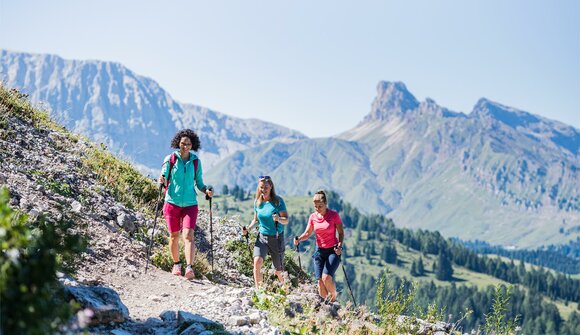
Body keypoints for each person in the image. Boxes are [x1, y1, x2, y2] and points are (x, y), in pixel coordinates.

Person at [159, 129, 213, 280]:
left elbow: (200, 183)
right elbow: (163, 175)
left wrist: (206, 191)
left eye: (188, 144)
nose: (185, 146)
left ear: (192, 145)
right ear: (178, 143)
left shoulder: (195, 162)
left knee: (188, 235)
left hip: (190, 204)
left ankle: (189, 268)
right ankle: (176, 264)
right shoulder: (170, 159)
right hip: (172, 202)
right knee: (173, 236)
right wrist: (162, 180)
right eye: (183, 143)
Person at [294, 190, 344, 302]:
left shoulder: (334, 215)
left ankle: (333, 301)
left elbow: (340, 233)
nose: (317, 208)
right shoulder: (313, 217)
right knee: (320, 281)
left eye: (320, 206)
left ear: (326, 204)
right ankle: (326, 306)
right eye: (315, 206)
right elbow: (307, 233)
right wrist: (299, 239)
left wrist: (340, 246)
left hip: (333, 250)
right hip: (319, 251)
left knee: (326, 278)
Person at [242, 176, 288, 288]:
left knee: (278, 271)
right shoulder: (257, 202)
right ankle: (259, 291)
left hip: (276, 238)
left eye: (266, 187)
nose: (263, 190)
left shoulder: (278, 201)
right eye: (261, 187)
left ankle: (286, 289)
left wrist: (278, 219)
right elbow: (256, 220)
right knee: (257, 262)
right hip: (262, 237)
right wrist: (248, 229)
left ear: (271, 187)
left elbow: (286, 220)